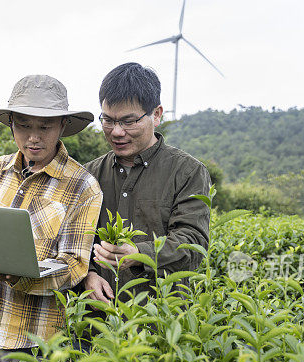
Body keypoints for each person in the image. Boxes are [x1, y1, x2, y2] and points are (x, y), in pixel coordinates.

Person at [0, 75, 103, 362]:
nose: (34, 137)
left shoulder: (82, 186)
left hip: (32, 344)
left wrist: (19, 276)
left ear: (62, 125)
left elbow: (74, 265)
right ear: (11, 122)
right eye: (24, 125)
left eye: (45, 126)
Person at [83, 63, 211, 302]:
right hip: (96, 323)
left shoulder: (187, 172)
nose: (117, 132)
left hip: (159, 320)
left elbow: (193, 242)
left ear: (157, 114)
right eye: (108, 120)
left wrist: (140, 254)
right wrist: (88, 274)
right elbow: (73, 241)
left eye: (129, 121)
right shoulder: (88, 175)